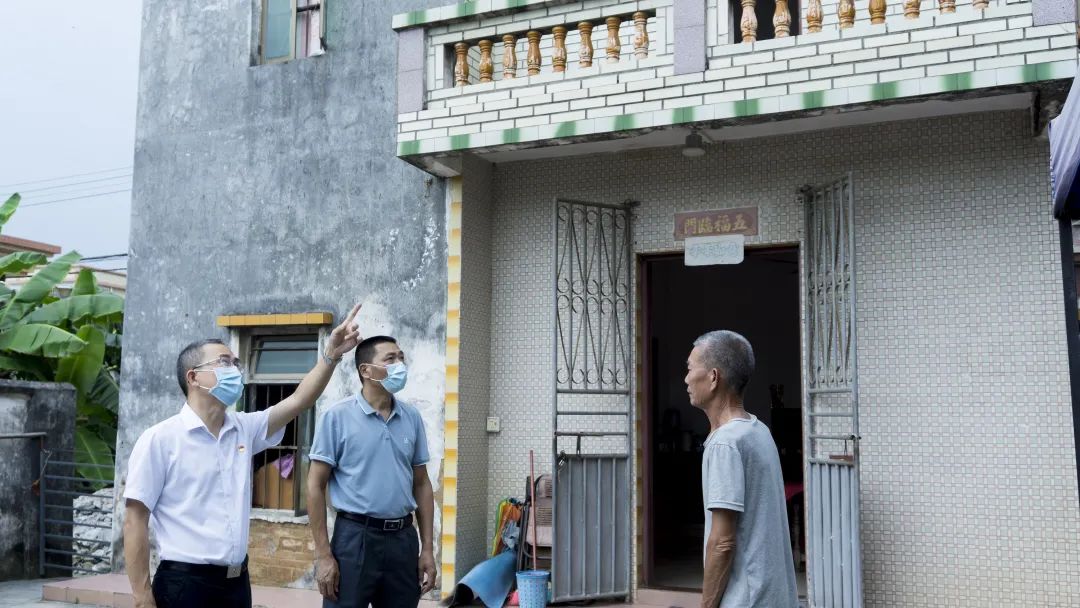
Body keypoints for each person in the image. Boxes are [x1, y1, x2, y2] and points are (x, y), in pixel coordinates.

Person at [123, 304, 362, 608]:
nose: (235, 370)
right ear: (193, 377)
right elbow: (135, 520)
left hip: (236, 584)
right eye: (224, 362)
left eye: (236, 363)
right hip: (185, 584)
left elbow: (300, 400)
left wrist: (330, 355)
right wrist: (142, 597)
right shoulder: (160, 439)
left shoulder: (243, 428)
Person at [308, 335, 436, 608]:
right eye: (390, 359)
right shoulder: (337, 417)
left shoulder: (411, 417)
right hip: (355, 538)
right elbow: (315, 485)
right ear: (366, 370)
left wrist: (427, 548)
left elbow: (422, 484)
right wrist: (323, 555)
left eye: (401, 358)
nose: (400, 364)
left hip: (403, 539)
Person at [685, 330, 799, 608]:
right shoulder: (758, 431)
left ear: (713, 377)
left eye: (690, 368)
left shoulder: (725, 443)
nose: (686, 379)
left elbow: (722, 542)